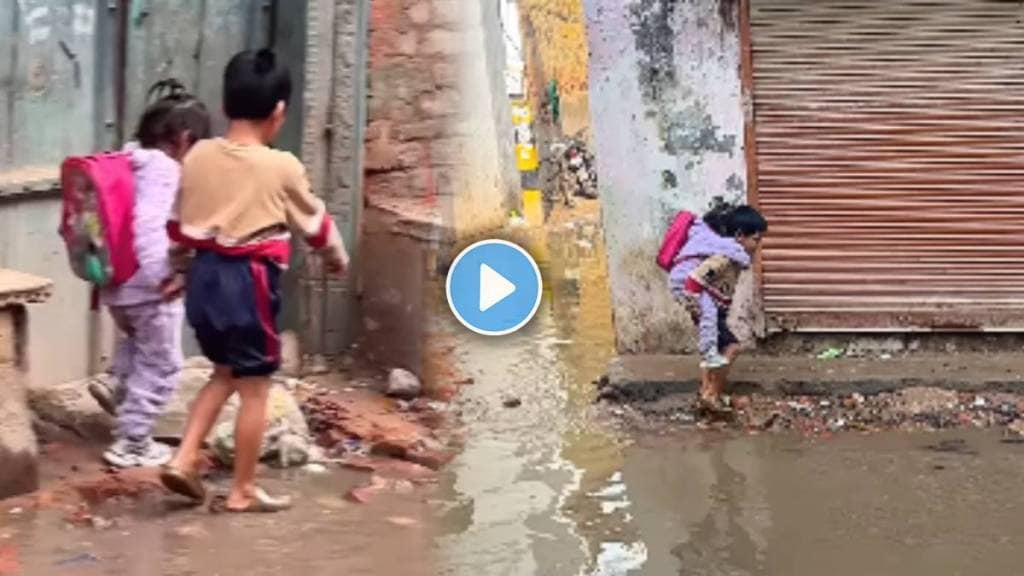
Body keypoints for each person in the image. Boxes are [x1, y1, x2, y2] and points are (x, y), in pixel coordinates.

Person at [158, 48, 349, 513]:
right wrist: (336, 259)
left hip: (203, 278)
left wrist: (177, 272)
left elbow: (177, 226)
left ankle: (184, 457)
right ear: (279, 112)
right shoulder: (279, 166)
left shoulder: (198, 155)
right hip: (248, 283)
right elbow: (315, 223)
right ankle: (242, 489)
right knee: (255, 387)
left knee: (222, 373)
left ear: (224, 106)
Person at [88, 80, 212, 468]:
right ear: (185, 139)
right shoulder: (163, 170)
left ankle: (118, 387)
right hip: (148, 285)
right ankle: (134, 441)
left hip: (116, 282)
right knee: (163, 363)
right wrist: (165, 275)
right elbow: (146, 226)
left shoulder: (129, 161)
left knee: (137, 342)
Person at [669, 205, 767, 413]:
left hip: (709, 307)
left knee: (718, 350)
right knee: (732, 348)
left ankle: (708, 394)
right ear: (740, 236)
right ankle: (711, 395)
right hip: (705, 307)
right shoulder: (723, 257)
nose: (758, 246)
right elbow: (695, 280)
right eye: (756, 239)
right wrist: (701, 309)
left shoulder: (726, 253)